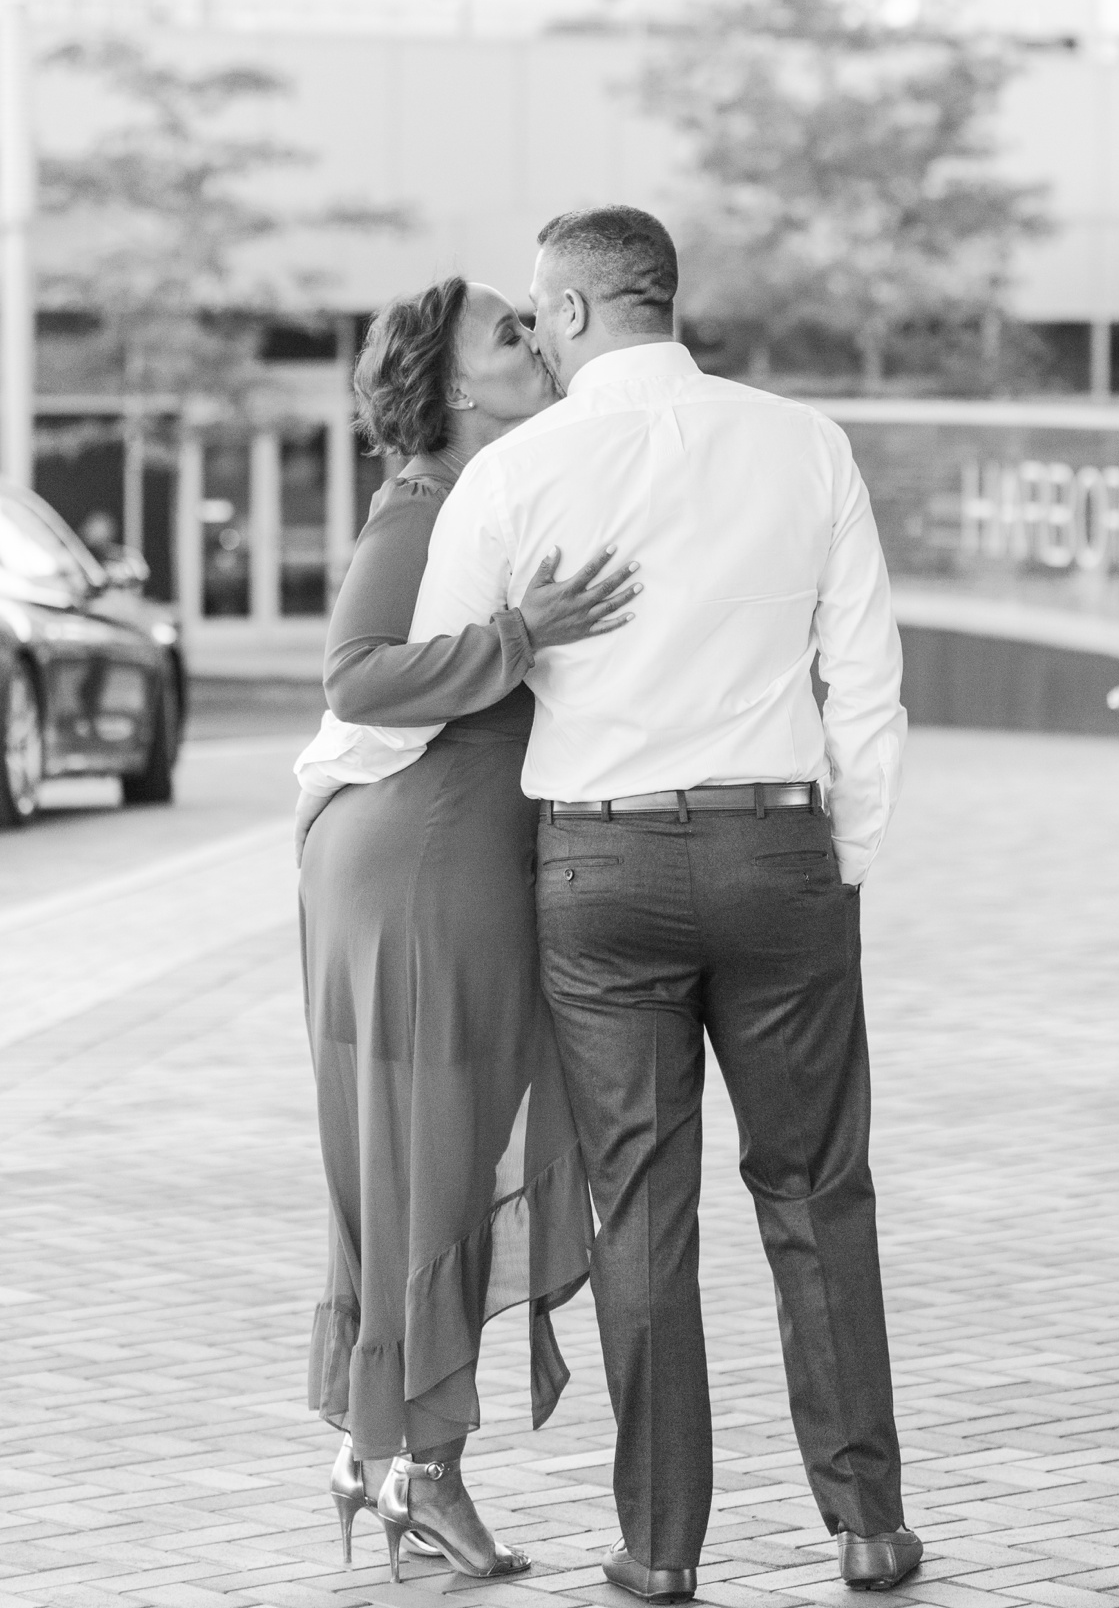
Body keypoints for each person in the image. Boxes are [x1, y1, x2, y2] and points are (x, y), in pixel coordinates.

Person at [326, 208, 920, 1600]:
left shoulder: (517, 471)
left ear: (583, 312)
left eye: (540, 314)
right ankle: (869, 1523)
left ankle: (661, 1550)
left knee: (644, 1213)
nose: (534, 336)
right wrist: (840, 854)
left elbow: (441, 667)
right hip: (781, 855)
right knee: (818, 1190)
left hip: (599, 875)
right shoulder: (806, 442)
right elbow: (871, 685)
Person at [294, 275, 639, 1584]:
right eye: (508, 329)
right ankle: (421, 1468)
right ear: (448, 385)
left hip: (445, 859)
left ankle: (378, 1449)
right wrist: (518, 634)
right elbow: (357, 666)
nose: (534, 339)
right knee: (431, 1160)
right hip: (421, 862)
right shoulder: (425, 503)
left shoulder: (491, 491)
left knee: (422, 1157)